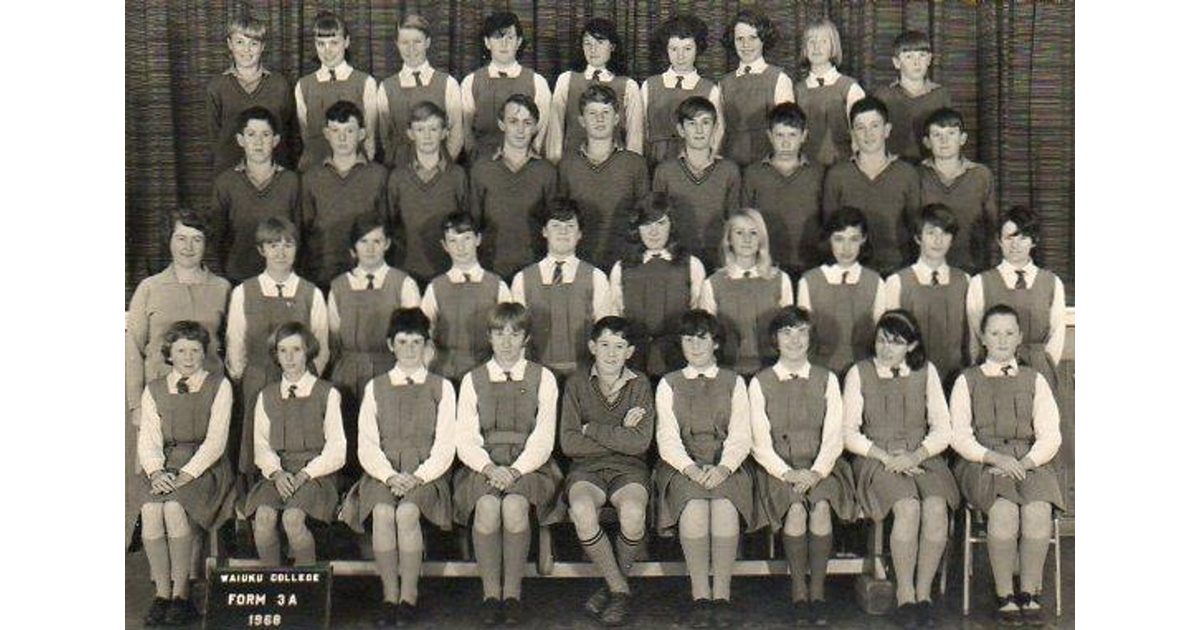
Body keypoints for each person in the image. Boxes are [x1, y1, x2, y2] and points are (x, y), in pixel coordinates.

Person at [843, 310, 959, 628]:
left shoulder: (927, 371)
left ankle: (924, 593)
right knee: (907, 507)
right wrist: (886, 456)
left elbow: (943, 428)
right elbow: (849, 432)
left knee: (935, 507)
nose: (886, 349)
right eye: (881, 340)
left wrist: (916, 456)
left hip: (922, 456)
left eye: (896, 342)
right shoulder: (859, 372)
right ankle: (905, 593)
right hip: (876, 458)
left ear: (911, 346)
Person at [950, 304, 1064, 626]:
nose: (1002, 340)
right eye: (995, 333)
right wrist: (994, 458)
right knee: (1003, 511)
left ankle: (1029, 593)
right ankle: (1005, 595)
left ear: (1020, 338)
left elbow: (1050, 435)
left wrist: (1026, 462)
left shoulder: (1035, 379)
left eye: (1009, 333)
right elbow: (959, 436)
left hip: (1029, 461)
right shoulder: (967, 380)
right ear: (983, 338)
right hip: (982, 462)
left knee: (1038, 509)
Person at [454, 303, 563, 626]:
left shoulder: (543, 377)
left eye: (514, 334)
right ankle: (491, 595)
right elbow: (465, 438)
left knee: (514, 506)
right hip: (482, 464)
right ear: (489, 337)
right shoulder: (473, 379)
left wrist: (515, 470)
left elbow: (544, 437)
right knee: (488, 507)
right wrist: (489, 469)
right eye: (499, 333)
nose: (506, 341)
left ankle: (512, 595)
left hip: (530, 465)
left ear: (526, 338)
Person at [127, 211, 231, 547]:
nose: (189, 246)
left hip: (207, 400)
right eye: (181, 238)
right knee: (159, 489)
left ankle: (196, 573)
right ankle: (166, 582)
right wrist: (135, 404)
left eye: (197, 239)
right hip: (160, 403)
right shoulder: (149, 288)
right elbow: (132, 349)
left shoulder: (222, 288)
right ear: (169, 242)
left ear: (206, 245)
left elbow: (233, 345)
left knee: (199, 484)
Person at [349, 308, 457, 626]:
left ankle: (409, 596)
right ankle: (389, 596)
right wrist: (390, 476)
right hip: (383, 472)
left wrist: (418, 477)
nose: (410, 349)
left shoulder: (442, 387)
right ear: (390, 345)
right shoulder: (375, 387)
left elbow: (445, 444)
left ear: (427, 346)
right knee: (383, 513)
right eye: (403, 341)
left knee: (406, 513)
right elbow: (367, 443)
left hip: (427, 474)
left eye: (416, 342)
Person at [747, 307, 853, 627]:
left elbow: (835, 435)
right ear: (775, 340)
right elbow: (758, 441)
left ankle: (818, 592)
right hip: (778, 469)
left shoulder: (827, 379)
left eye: (801, 332)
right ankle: (798, 592)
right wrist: (787, 473)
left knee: (819, 506)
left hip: (823, 465)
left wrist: (816, 472)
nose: (794, 339)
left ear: (811, 338)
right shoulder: (760, 382)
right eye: (786, 333)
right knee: (795, 510)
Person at [654, 309, 755, 629]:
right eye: (687, 339)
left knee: (724, 506)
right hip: (681, 465)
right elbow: (667, 438)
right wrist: (691, 470)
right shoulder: (668, 383)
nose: (695, 346)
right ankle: (700, 595)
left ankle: (722, 595)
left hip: (728, 463)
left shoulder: (734, 382)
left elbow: (741, 434)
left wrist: (724, 468)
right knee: (695, 506)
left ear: (716, 343)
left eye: (702, 338)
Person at [135, 321, 235, 626]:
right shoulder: (153, 389)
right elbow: (149, 440)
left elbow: (216, 441)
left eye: (195, 350)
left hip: (206, 467)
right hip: (165, 464)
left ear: (204, 353)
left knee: (175, 507)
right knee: (152, 509)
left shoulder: (219, 385)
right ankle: (161, 595)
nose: (188, 357)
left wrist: (187, 474)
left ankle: (182, 595)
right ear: (169, 354)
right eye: (181, 350)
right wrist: (155, 472)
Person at [559, 317, 656, 627]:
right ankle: (619, 590)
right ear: (592, 347)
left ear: (630, 351)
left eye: (619, 347)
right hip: (585, 470)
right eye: (604, 345)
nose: (611, 353)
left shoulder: (639, 383)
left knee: (632, 513)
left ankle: (611, 587)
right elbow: (570, 443)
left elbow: (640, 443)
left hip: (629, 469)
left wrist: (592, 428)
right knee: (582, 509)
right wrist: (618, 434)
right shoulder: (576, 383)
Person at [226, 217, 329, 478]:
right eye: (273, 245)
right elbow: (235, 341)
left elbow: (322, 345)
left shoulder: (311, 293)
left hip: (299, 381)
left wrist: (306, 378)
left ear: (297, 249)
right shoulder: (243, 292)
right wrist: (245, 377)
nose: (281, 252)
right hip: (258, 379)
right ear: (262, 250)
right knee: (258, 445)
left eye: (288, 245)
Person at [245, 322, 347, 566]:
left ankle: (305, 589)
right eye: (283, 351)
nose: (290, 357)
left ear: (308, 352)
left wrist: (304, 474)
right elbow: (261, 447)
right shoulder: (266, 395)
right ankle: (275, 585)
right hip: (279, 473)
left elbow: (336, 449)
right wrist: (278, 474)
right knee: (263, 518)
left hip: (317, 475)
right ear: (276, 355)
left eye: (296, 350)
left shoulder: (327, 393)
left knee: (292, 519)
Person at [327, 214, 421, 477]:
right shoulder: (338, 286)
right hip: (347, 372)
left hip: (388, 369)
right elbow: (332, 337)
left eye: (377, 241)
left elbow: (415, 335)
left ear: (387, 244)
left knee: (385, 435)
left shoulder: (403, 283)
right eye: (363, 241)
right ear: (353, 248)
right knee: (348, 434)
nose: (370, 248)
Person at [966, 206, 1066, 391]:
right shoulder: (979, 283)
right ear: (999, 241)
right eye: (1009, 238)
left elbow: (1056, 337)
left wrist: (1044, 368)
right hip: (994, 371)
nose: (1015, 245)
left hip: (1040, 372)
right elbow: (975, 337)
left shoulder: (1052, 283)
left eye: (1023, 238)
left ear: (1034, 241)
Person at [510, 200, 613, 378]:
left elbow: (607, 336)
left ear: (580, 233)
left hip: (584, 375)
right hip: (536, 375)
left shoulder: (597, 278)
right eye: (556, 225)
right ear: (544, 231)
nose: (563, 231)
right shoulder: (522, 279)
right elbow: (515, 335)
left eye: (570, 226)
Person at [609, 194, 706, 379]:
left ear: (672, 226)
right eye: (646, 224)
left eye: (660, 223)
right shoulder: (621, 268)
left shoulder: (692, 265)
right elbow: (615, 317)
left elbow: (698, 318)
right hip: (634, 362)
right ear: (637, 228)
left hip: (679, 361)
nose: (653, 232)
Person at [822, 96, 921, 276]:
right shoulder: (837, 175)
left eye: (875, 126)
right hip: (852, 272)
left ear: (887, 130)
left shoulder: (907, 173)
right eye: (860, 127)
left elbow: (917, 229)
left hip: (898, 270)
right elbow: (830, 230)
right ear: (852, 133)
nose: (868, 134)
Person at [556, 83, 651, 269]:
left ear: (616, 118)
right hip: (579, 264)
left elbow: (644, 220)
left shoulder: (635, 164)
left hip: (625, 263)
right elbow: (561, 219)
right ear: (582, 120)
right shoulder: (567, 165)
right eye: (592, 113)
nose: (599, 119)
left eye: (605, 113)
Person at [298, 100, 389, 290]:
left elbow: (387, 227)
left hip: (368, 274)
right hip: (322, 274)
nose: (342, 138)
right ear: (326, 134)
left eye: (349, 131)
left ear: (362, 134)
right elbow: (304, 231)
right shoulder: (310, 178)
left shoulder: (379, 175)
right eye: (335, 131)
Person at [469, 93, 559, 280]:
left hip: (534, 272)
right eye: (513, 121)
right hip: (490, 270)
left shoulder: (547, 172)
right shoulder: (481, 169)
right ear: (502, 124)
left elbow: (553, 227)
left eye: (527, 123)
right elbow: (473, 226)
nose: (520, 130)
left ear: (535, 127)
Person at [209, 106, 301, 282]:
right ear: (240, 140)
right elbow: (218, 237)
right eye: (251, 134)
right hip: (237, 278)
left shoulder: (292, 181)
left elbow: (299, 235)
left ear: (275, 140)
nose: (258, 142)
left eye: (265, 135)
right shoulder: (225, 182)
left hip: (282, 279)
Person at [698, 208, 794, 377]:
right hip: (727, 370)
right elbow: (706, 337)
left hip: (772, 369)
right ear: (729, 239)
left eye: (753, 233)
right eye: (739, 232)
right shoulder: (712, 283)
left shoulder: (780, 279)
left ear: (761, 239)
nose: (747, 239)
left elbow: (790, 331)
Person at [883, 204, 971, 384]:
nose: (938, 241)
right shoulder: (896, 282)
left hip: (956, 376)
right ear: (918, 237)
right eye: (931, 233)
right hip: (911, 376)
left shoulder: (966, 280)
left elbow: (972, 338)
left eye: (945, 233)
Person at [420, 212, 513, 382]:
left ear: (478, 239)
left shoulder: (497, 285)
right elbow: (424, 334)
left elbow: (511, 331)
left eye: (466, 239)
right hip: (445, 373)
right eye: (453, 241)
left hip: (487, 373)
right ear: (444, 245)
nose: (460, 247)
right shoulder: (435, 288)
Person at [651, 96, 741, 270]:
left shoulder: (730, 170)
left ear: (715, 128)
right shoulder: (664, 171)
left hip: (719, 262)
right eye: (692, 123)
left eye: (705, 123)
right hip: (677, 262)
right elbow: (657, 221)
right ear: (681, 130)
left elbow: (735, 221)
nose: (699, 130)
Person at [385, 101, 470, 285]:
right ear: (410, 134)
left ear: (444, 133)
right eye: (420, 129)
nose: (427, 136)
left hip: (449, 271)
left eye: (433, 129)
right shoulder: (397, 177)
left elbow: (466, 223)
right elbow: (390, 225)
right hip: (406, 270)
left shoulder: (458, 175)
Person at [796, 207, 886, 376]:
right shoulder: (809, 281)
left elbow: (880, 335)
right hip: (819, 369)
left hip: (864, 370)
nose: (846, 248)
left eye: (854, 239)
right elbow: (803, 335)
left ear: (864, 239)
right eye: (839, 239)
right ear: (828, 240)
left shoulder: (876, 282)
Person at [740, 102, 826, 277]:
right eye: (780, 135)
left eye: (792, 135)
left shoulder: (819, 173)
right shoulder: (753, 174)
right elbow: (744, 220)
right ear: (770, 136)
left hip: (810, 265)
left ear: (804, 136)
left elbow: (827, 221)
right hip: (765, 266)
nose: (786, 143)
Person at [205, 12, 296, 173]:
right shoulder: (216, 86)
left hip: (274, 175)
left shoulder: (280, 84)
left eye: (253, 43)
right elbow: (214, 136)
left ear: (262, 47)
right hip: (230, 175)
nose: (246, 50)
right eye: (240, 42)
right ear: (230, 44)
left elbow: (289, 133)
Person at [546, 18, 644, 163]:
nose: (593, 49)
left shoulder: (629, 86)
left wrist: (630, 169)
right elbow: (555, 128)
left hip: (615, 166)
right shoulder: (566, 80)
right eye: (587, 43)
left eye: (600, 42)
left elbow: (634, 136)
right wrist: (554, 162)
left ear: (612, 46)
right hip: (573, 163)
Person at [461, 11, 553, 162]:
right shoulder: (470, 82)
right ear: (487, 42)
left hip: (525, 165)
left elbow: (541, 130)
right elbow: (466, 131)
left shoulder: (537, 82)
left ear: (518, 42)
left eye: (510, 38)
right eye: (497, 37)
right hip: (481, 166)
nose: (504, 44)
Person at [294, 10, 378, 172]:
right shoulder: (303, 86)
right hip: (315, 169)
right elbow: (306, 137)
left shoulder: (366, 82)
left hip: (355, 169)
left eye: (334, 43)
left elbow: (369, 140)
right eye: (321, 44)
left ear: (346, 42)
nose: (327, 50)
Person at [918, 107, 999, 274]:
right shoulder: (916, 175)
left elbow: (991, 224)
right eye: (937, 135)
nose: (944, 140)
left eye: (951, 133)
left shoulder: (981, 175)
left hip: (972, 267)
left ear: (963, 138)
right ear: (927, 142)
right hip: (928, 269)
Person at [377, 14, 464, 167]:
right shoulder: (386, 88)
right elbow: (385, 137)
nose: (411, 48)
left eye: (417, 41)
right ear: (397, 44)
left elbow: (456, 135)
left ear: (427, 42)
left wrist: (440, 168)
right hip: (400, 170)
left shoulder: (448, 84)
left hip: (440, 169)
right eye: (405, 42)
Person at [641, 15, 723, 171]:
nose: (680, 56)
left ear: (697, 48)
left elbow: (717, 134)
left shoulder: (710, 89)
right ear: (666, 49)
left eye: (687, 49)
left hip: (695, 164)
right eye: (674, 49)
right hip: (654, 162)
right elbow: (640, 131)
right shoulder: (649, 85)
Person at [717, 8, 794, 168]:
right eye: (740, 39)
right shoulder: (724, 83)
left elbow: (787, 130)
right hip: (731, 164)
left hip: (767, 165)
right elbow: (719, 131)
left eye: (753, 38)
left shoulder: (779, 79)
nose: (746, 45)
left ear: (763, 39)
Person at [795, 18, 865, 166]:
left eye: (823, 41)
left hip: (842, 167)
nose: (816, 47)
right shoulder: (797, 90)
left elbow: (861, 133)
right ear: (805, 49)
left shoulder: (850, 87)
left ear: (833, 47)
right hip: (806, 169)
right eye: (811, 41)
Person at [874, 30, 951, 163]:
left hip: (931, 170)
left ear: (929, 59)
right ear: (897, 62)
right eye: (909, 57)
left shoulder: (941, 95)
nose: (917, 62)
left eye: (922, 55)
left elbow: (950, 137)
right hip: (893, 169)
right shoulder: (883, 96)